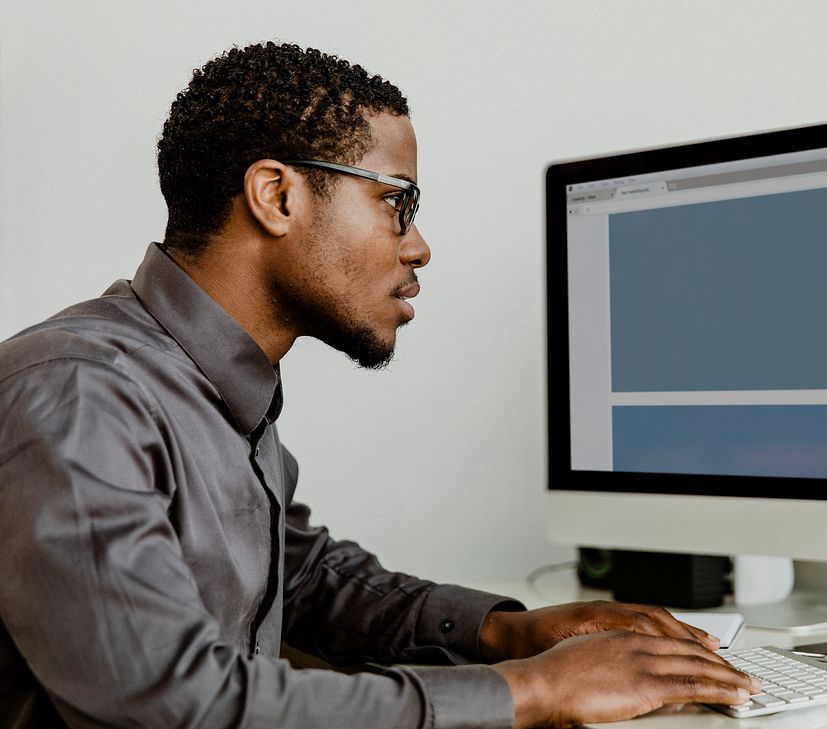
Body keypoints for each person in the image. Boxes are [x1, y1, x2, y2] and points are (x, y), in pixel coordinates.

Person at [0, 42, 758, 729]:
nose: (419, 246)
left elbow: (298, 576)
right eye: (397, 201)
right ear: (277, 195)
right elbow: (175, 704)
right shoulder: (79, 394)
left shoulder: (212, 389)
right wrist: (531, 691)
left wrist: (511, 632)